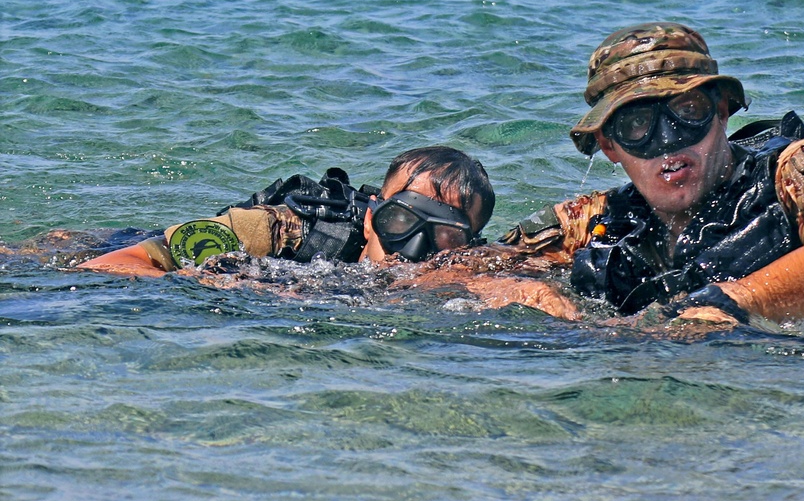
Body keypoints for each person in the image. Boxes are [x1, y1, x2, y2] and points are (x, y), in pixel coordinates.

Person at [495, 22, 804, 329]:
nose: (668, 143)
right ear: (609, 145)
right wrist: (530, 294)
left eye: (687, 113)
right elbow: (455, 271)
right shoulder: (591, 221)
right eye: (637, 127)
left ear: (720, 112)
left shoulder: (797, 170)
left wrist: (731, 303)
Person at [78, 146, 496, 277]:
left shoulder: (473, 270)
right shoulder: (281, 229)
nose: (412, 247)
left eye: (445, 235)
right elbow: (113, 263)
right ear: (372, 217)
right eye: (400, 221)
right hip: (118, 238)